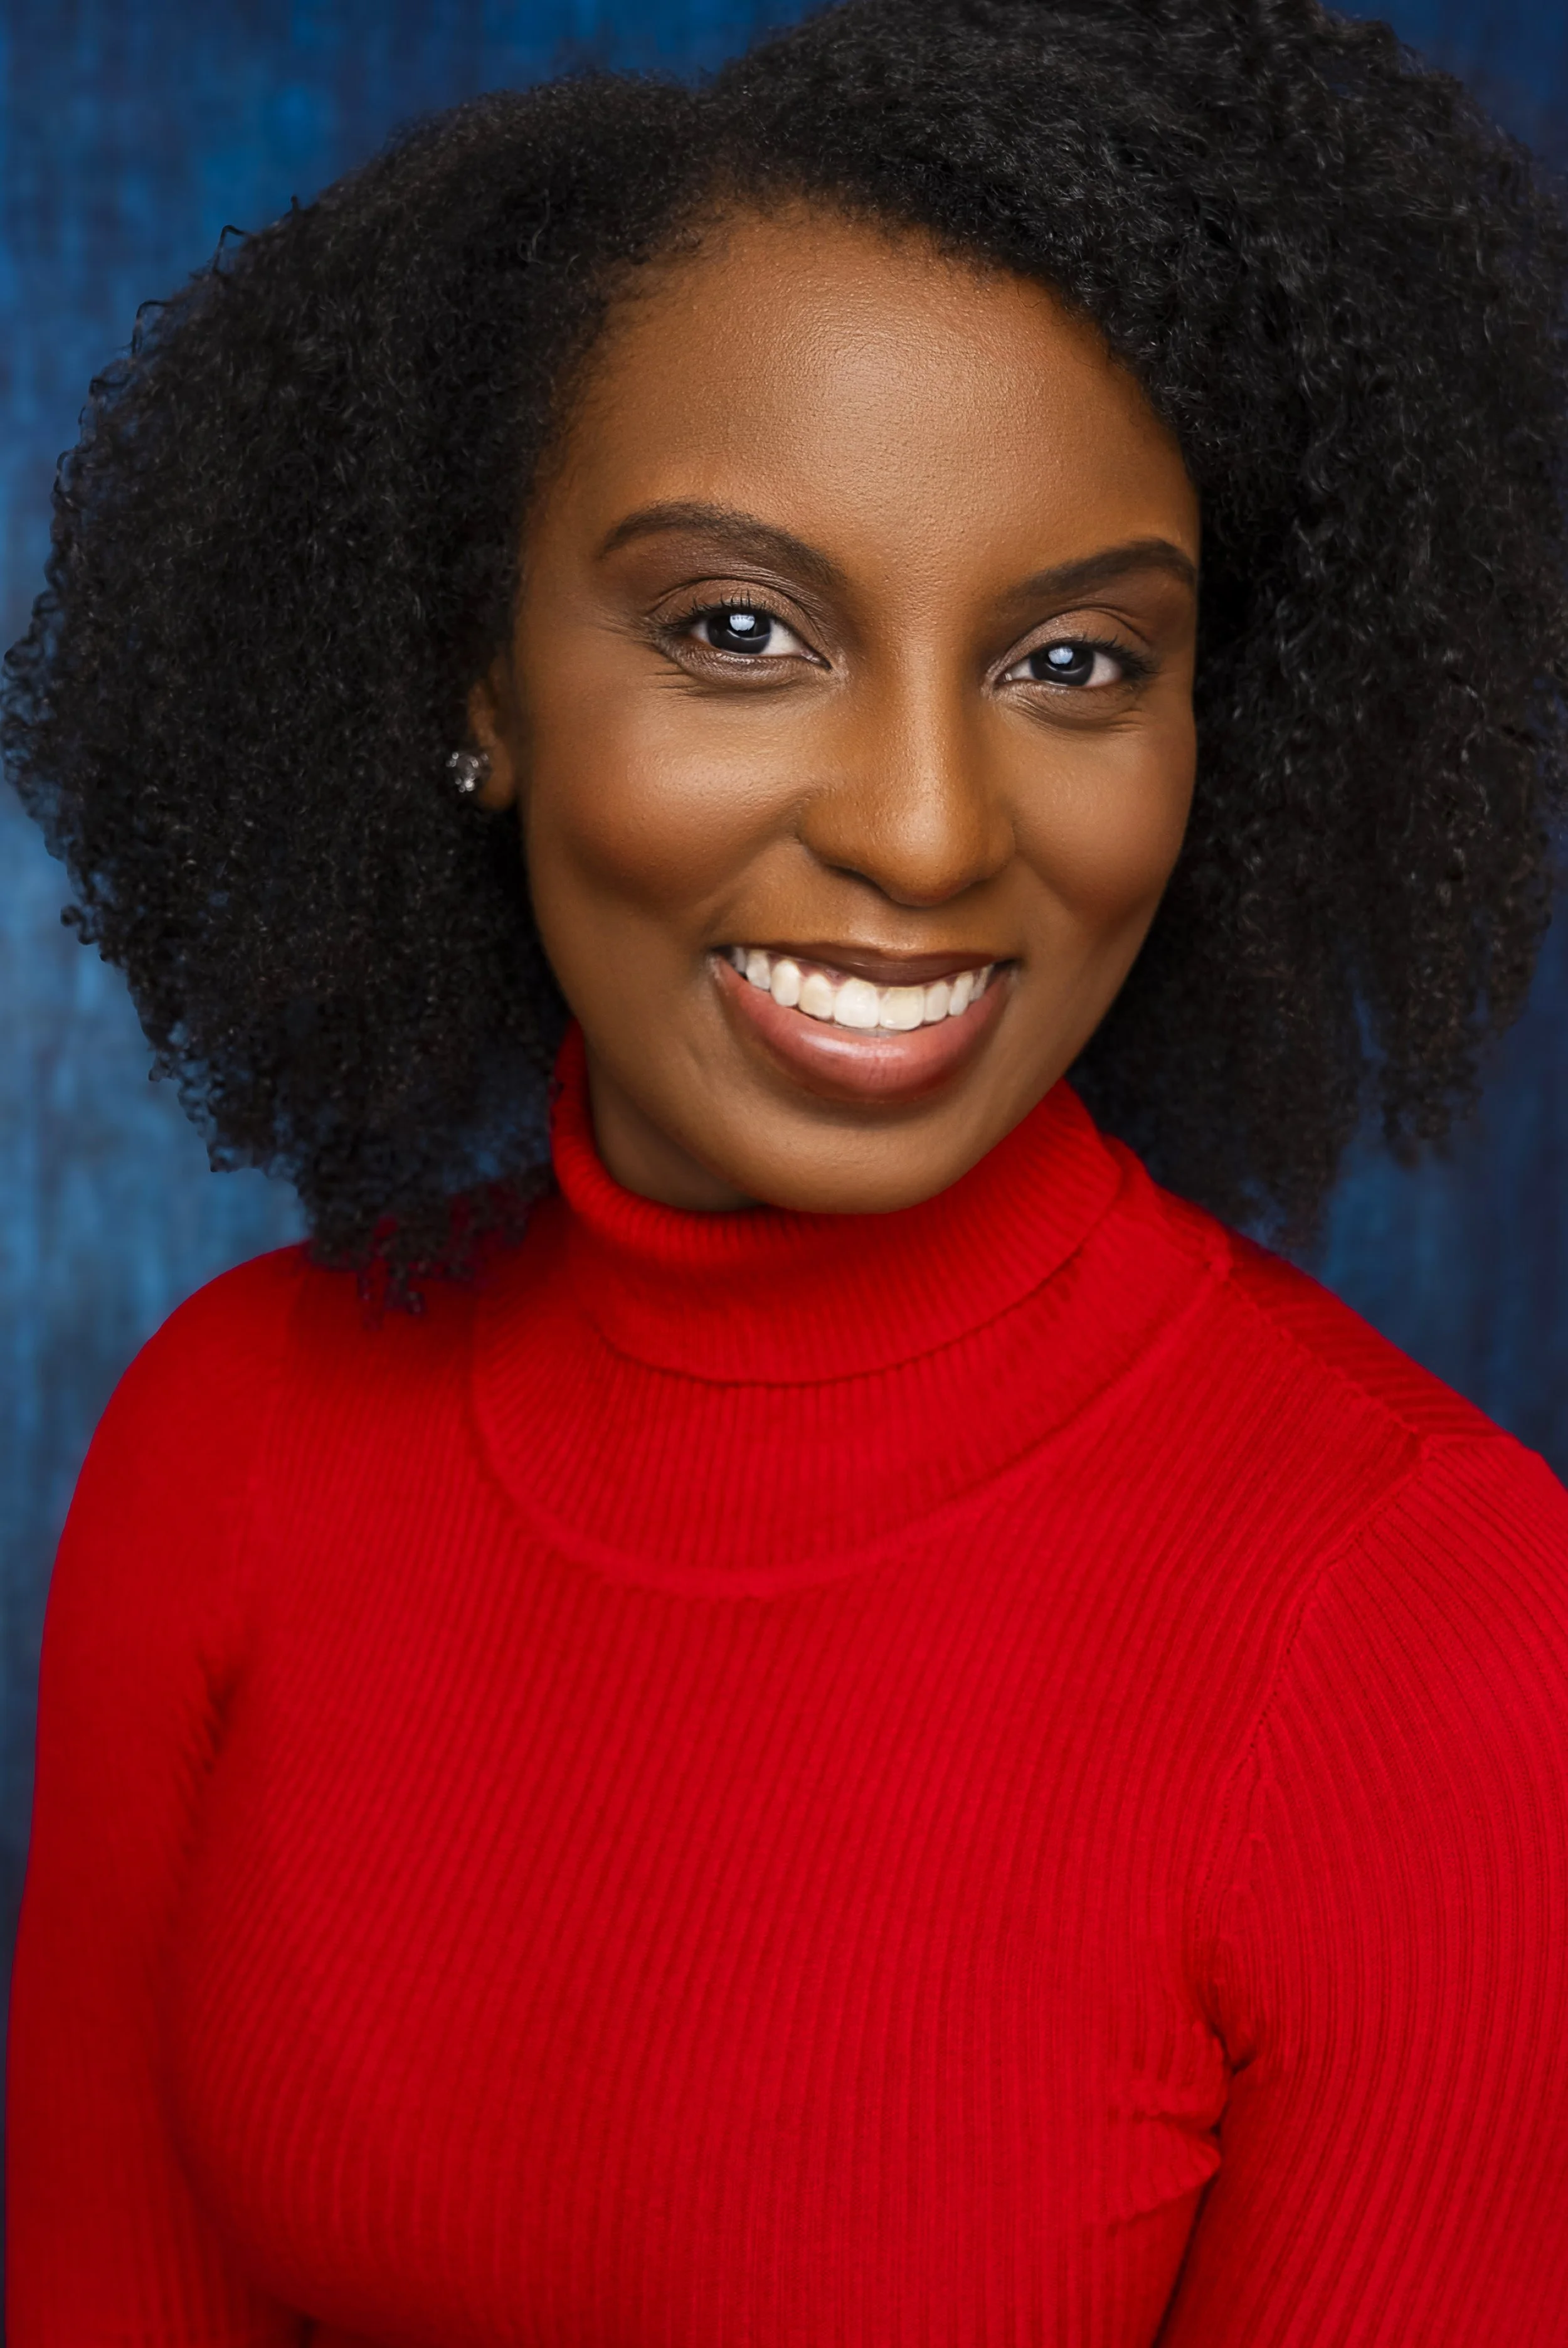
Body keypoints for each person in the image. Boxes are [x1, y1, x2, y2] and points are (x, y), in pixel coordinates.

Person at [6, 0, 1568, 2338]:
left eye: (1071, 662)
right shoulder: (229, 1440)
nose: (928, 830)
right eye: (741, 630)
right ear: (480, 681)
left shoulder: (1434, 1627)